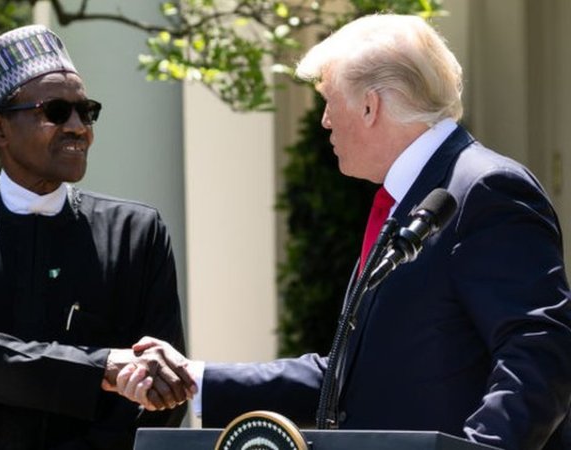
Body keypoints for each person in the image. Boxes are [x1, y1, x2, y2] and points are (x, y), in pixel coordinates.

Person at [114, 14, 571, 450]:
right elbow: (348, 376)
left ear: (370, 106)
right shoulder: (410, 197)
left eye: (329, 101)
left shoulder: (486, 188)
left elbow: (539, 351)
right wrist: (194, 378)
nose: (325, 121)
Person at [0, 24, 193, 450]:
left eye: (86, 112)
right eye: (56, 111)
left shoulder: (135, 232)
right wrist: (101, 368)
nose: (78, 127)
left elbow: (163, 388)